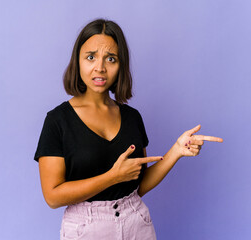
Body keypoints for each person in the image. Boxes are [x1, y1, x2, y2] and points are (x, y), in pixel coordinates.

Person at [34, 18, 223, 240]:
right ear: (78, 61)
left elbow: (139, 185)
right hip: (86, 228)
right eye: (91, 57)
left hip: (136, 223)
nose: (100, 67)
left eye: (111, 59)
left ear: (120, 64)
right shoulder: (58, 120)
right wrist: (112, 177)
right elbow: (53, 196)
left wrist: (177, 151)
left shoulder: (132, 117)